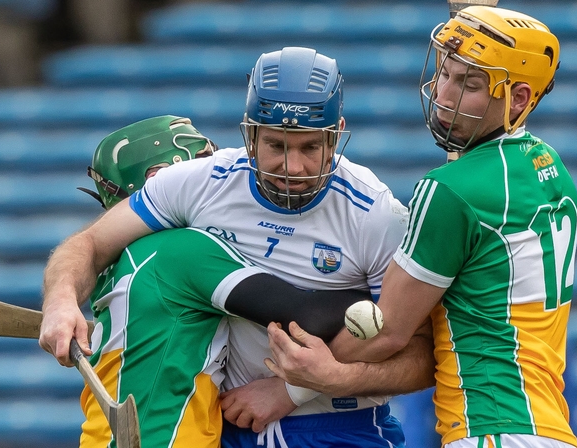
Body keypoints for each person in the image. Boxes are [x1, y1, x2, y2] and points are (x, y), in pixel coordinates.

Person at [40, 47, 435, 448]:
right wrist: (60, 301)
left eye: (310, 148)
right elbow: (89, 243)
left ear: (336, 135)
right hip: (230, 428)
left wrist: (294, 390)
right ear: (250, 133)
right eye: (276, 146)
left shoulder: (376, 214)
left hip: (340, 429)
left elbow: (422, 354)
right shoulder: (199, 183)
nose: (292, 168)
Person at [265, 7, 577, 448]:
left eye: (469, 84)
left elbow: (387, 330)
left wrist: (289, 390)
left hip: (490, 427)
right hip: (547, 428)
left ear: (519, 98)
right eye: (445, 73)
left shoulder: (451, 190)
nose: (445, 94)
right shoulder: (551, 169)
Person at [74, 114, 385, 447]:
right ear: (158, 178)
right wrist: (387, 299)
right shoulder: (180, 251)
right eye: (199, 162)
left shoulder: (117, 262)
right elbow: (308, 316)